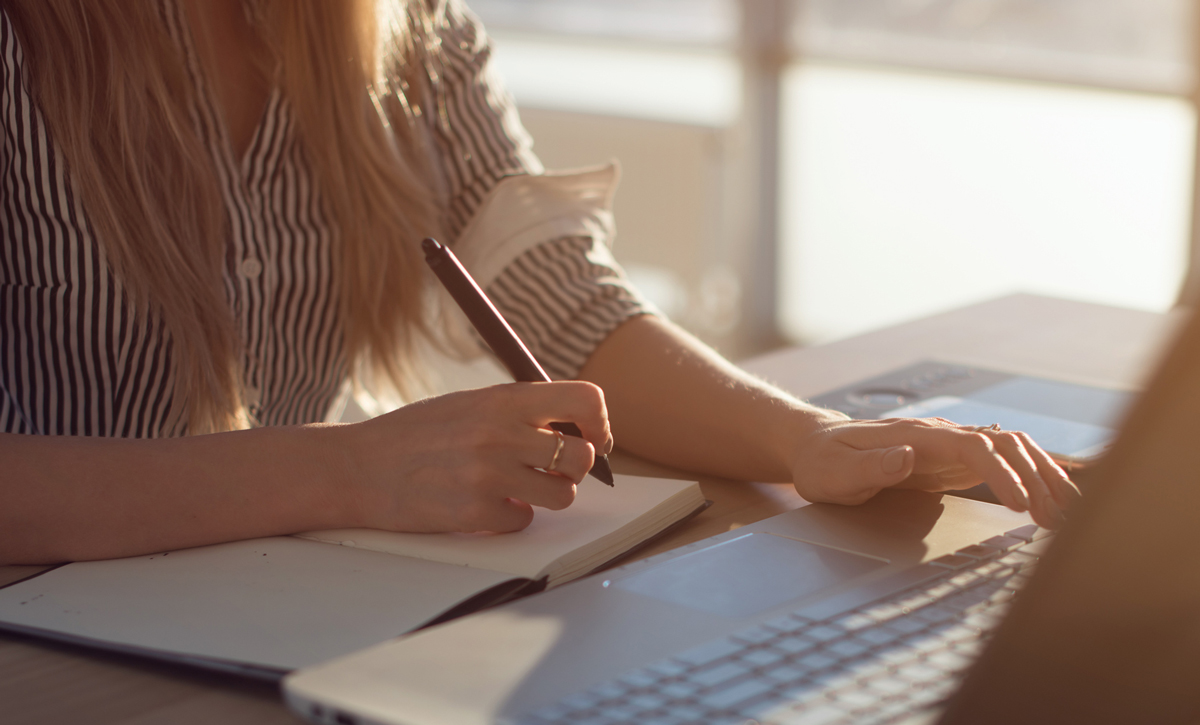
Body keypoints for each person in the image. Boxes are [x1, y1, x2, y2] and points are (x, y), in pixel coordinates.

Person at [0, 0, 1077, 567]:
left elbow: (564, 303)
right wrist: (345, 473)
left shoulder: (399, 28)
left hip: (272, 605)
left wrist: (806, 440)